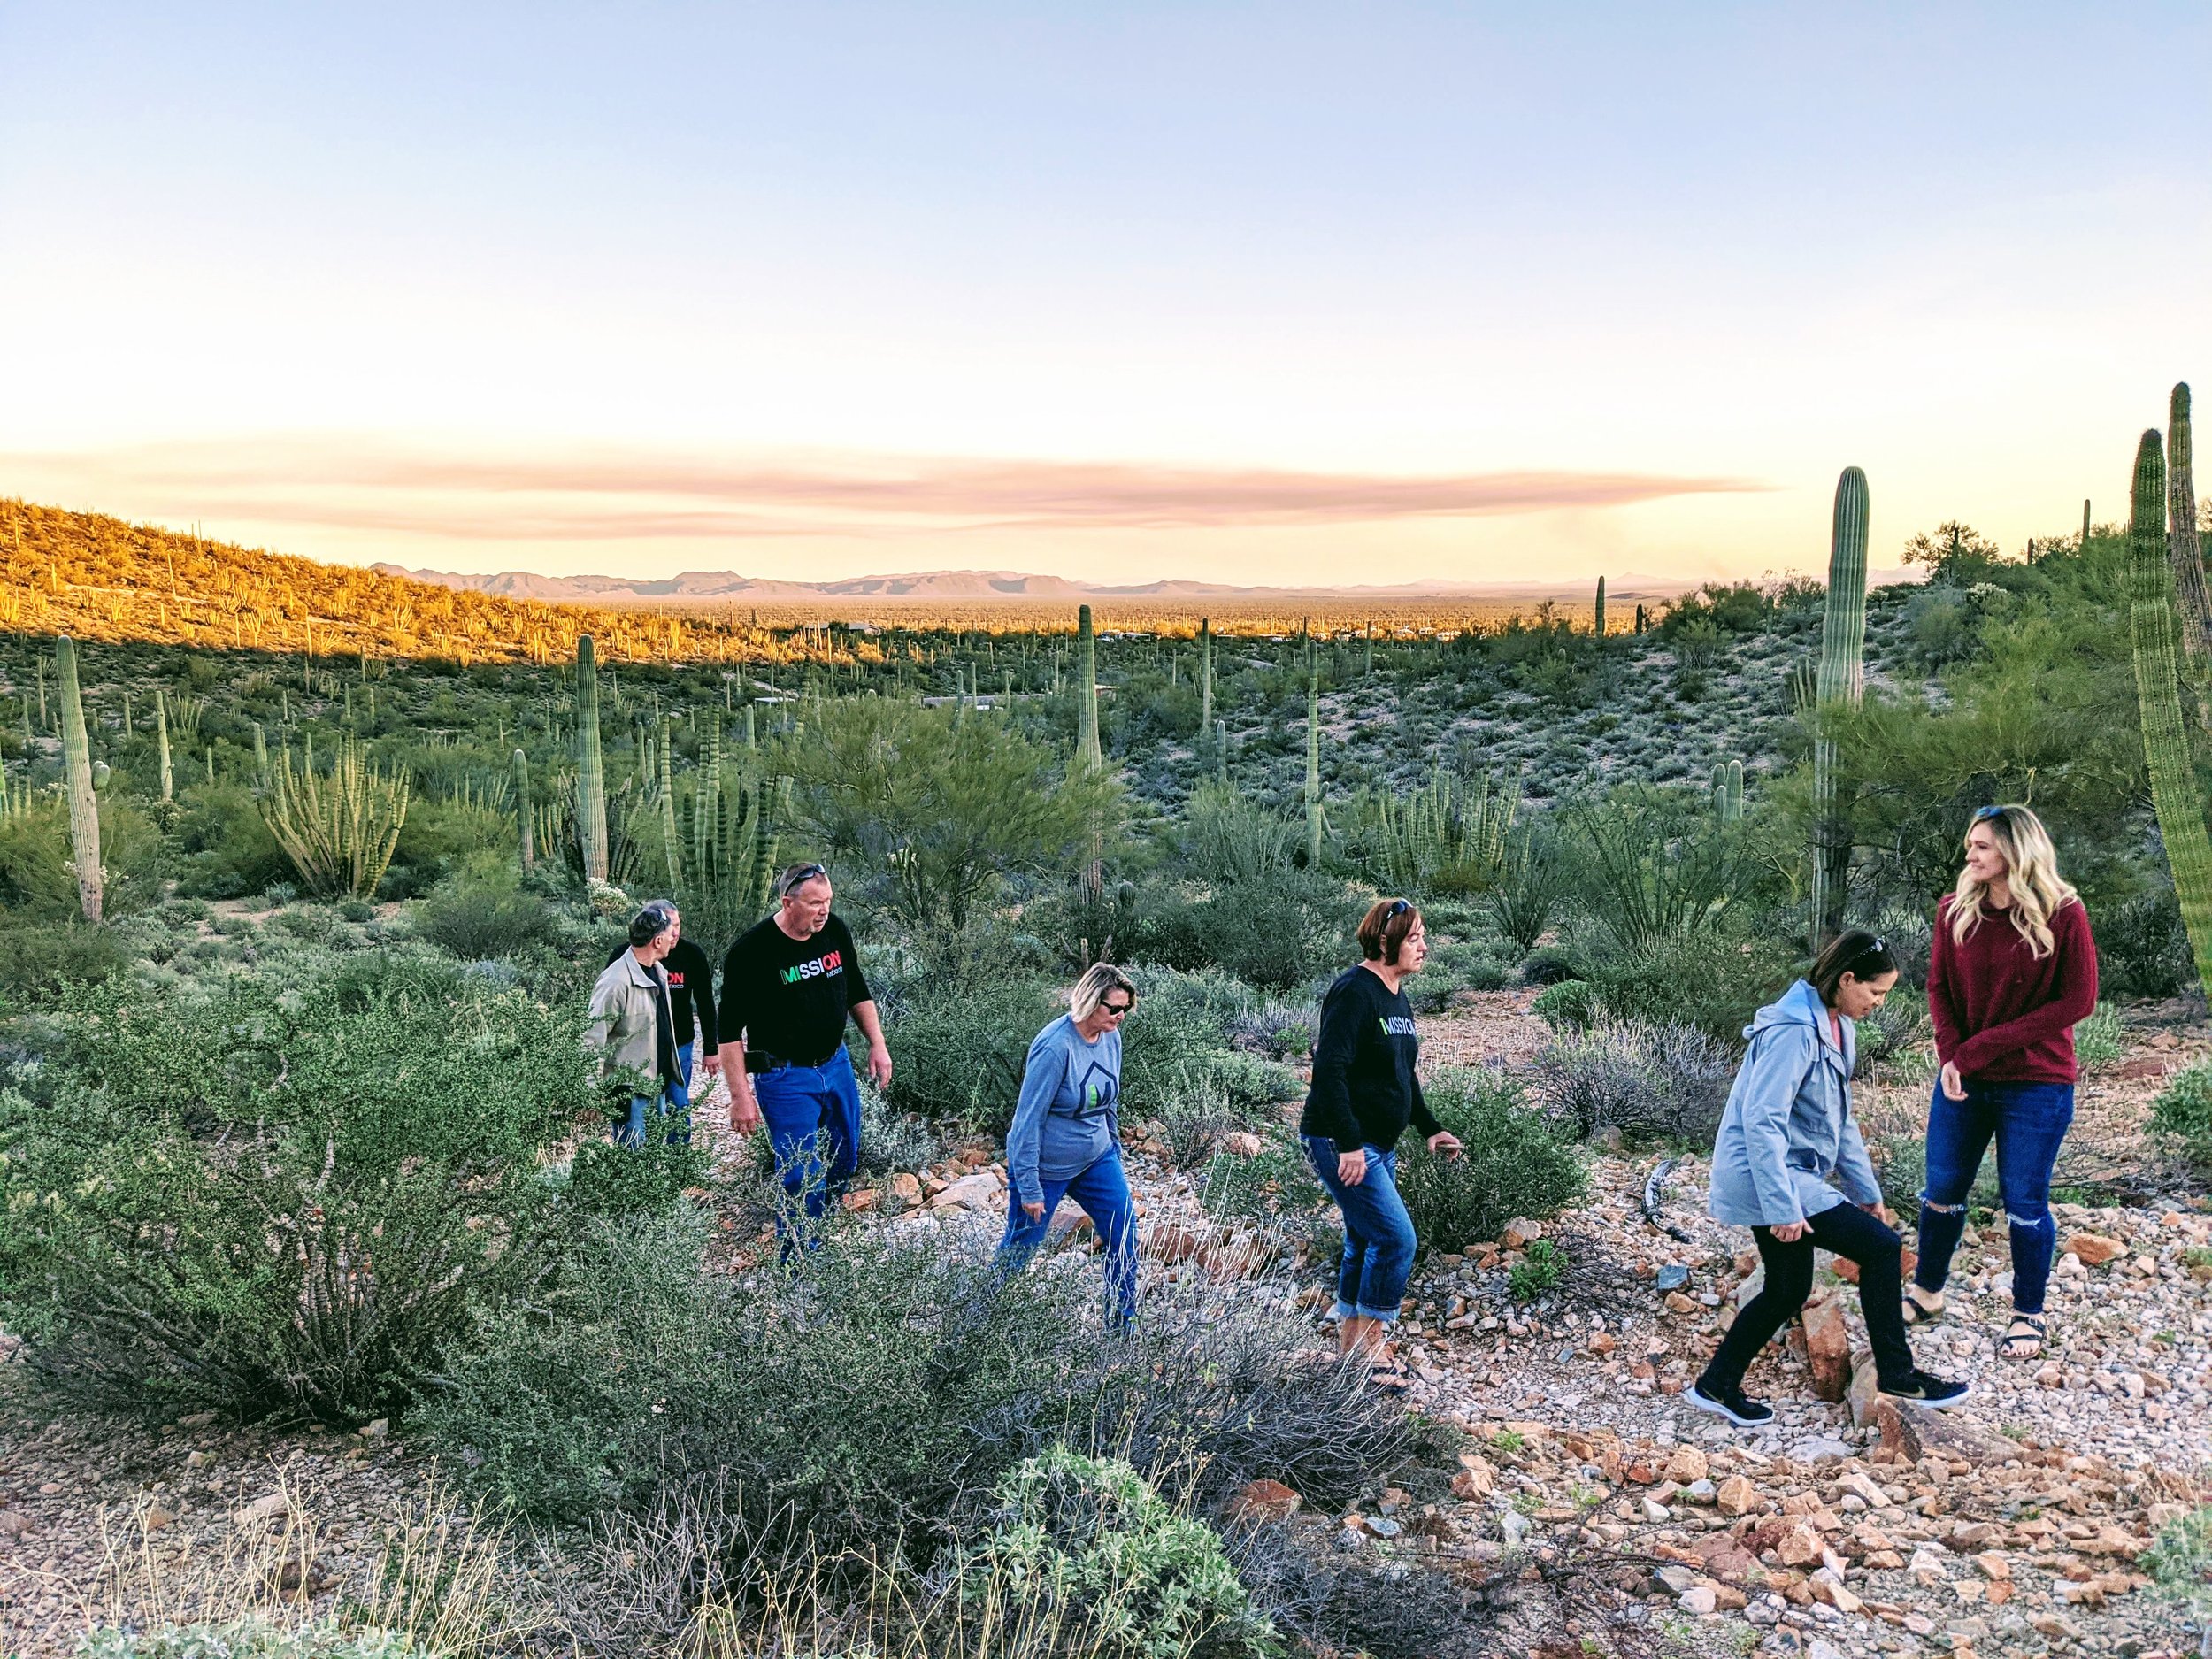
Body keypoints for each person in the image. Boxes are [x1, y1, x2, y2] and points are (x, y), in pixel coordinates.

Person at [1691, 931, 1969, 1427]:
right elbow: (1763, 1120)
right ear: (1845, 979)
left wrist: (1866, 1192)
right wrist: (1781, 1206)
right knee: (1881, 1249)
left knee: (1787, 1287)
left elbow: (1839, 1121)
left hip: (1789, 1174)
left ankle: (1716, 1384)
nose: (1879, 1003)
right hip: (1767, 1176)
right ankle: (1899, 1374)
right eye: (1875, 991)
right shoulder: (1794, 1030)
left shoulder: (1840, 1027)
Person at [1905, 804, 2097, 1363]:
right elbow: (1937, 986)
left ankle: (2027, 1314)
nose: (1971, 855)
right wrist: (1952, 1056)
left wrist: (1980, 1050)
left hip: (2036, 1083)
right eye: (1971, 845)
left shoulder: (2064, 913)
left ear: (2016, 850)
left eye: (1982, 845)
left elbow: (2077, 1000)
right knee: (1941, 1190)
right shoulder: (1954, 910)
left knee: (2025, 1201)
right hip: (1962, 1077)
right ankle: (1927, 1291)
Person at [1299, 899, 1463, 1379]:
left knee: (1363, 1238)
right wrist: (1349, 1143)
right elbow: (1328, 1071)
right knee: (1395, 1239)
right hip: (1341, 1140)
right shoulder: (1355, 991)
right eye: (1414, 938)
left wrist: (1430, 1127)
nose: (1424, 947)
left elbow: (1402, 1073)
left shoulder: (1396, 995)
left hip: (1379, 1142)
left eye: (1423, 937)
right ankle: (1371, 1346)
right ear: (1385, 941)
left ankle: (1350, 1349)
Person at [718, 862, 892, 1242]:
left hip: (836, 1064)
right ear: (788, 902)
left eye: (828, 900)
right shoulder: (752, 951)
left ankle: (821, 1232)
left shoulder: (834, 931)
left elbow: (857, 990)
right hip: (785, 1077)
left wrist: (877, 1044)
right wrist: (739, 1096)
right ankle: (798, 1262)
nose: (824, 910)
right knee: (799, 1173)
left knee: (844, 1158)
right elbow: (728, 1032)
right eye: (815, 903)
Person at [995, 963, 1141, 1326]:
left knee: (1124, 1234)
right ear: (1092, 1002)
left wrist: (1113, 1146)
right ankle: (979, 1324)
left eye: (1126, 1009)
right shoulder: (1055, 1046)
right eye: (1115, 1008)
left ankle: (1120, 1327)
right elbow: (1026, 1121)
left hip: (1096, 1158)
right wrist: (1028, 1185)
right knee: (1019, 1250)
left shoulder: (1111, 1036)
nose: (1121, 1016)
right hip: (1047, 1168)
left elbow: (1109, 1099)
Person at [583, 902, 692, 1148]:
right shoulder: (616, 981)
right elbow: (591, 1037)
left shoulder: (659, 972)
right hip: (630, 1092)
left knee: (651, 1162)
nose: (673, 937)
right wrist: (589, 1094)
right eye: (668, 933)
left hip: (657, 1085)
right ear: (656, 941)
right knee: (632, 1163)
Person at [603, 900, 720, 1095]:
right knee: (638, 1109)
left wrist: (711, 1048)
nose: (674, 932)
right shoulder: (625, 957)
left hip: (679, 1043)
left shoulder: (691, 954)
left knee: (678, 1106)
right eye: (669, 926)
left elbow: (706, 1004)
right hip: (636, 1048)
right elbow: (604, 1015)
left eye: (677, 925)